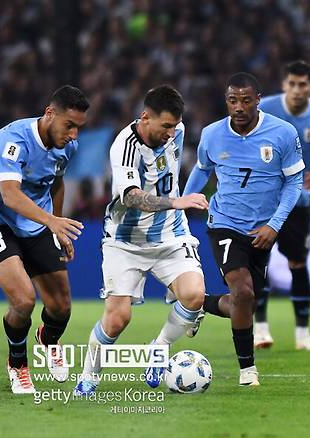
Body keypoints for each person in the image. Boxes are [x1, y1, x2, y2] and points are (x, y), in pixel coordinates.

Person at [73, 85, 209, 396]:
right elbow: (133, 198)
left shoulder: (177, 130)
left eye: (175, 126)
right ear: (145, 117)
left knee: (194, 295)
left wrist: (178, 206)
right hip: (125, 242)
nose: (171, 133)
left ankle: (158, 349)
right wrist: (177, 201)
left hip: (171, 235)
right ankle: (89, 375)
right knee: (118, 318)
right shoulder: (124, 147)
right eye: (165, 127)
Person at [183, 73, 304, 386]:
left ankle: (201, 304)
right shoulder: (212, 134)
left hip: (262, 230)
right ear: (227, 101)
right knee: (244, 291)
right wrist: (182, 204)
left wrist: (274, 225)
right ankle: (247, 371)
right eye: (233, 100)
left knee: (244, 303)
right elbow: (202, 170)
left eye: (246, 100)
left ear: (258, 100)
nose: (239, 107)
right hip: (225, 223)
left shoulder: (282, 133)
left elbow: (293, 182)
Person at [0, 85, 89, 394]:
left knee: (61, 307)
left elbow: (57, 183)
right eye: (70, 125)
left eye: (79, 127)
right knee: (24, 299)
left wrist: (57, 227)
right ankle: (18, 364)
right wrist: (51, 221)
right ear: (49, 114)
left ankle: (48, 339)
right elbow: (10, 195)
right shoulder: (12, 140)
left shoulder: (68, 147)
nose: (74, 135)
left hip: (38, 225)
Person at [254, 60, 310, 350]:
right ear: (284, 85)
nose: (297, 90)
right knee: (259, 264)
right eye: (292, 84)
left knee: (298, 263)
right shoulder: (267, 111)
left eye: (303, 85)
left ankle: (303, 336)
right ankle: (260, 331)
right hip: (264, 202)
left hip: (298, 201)